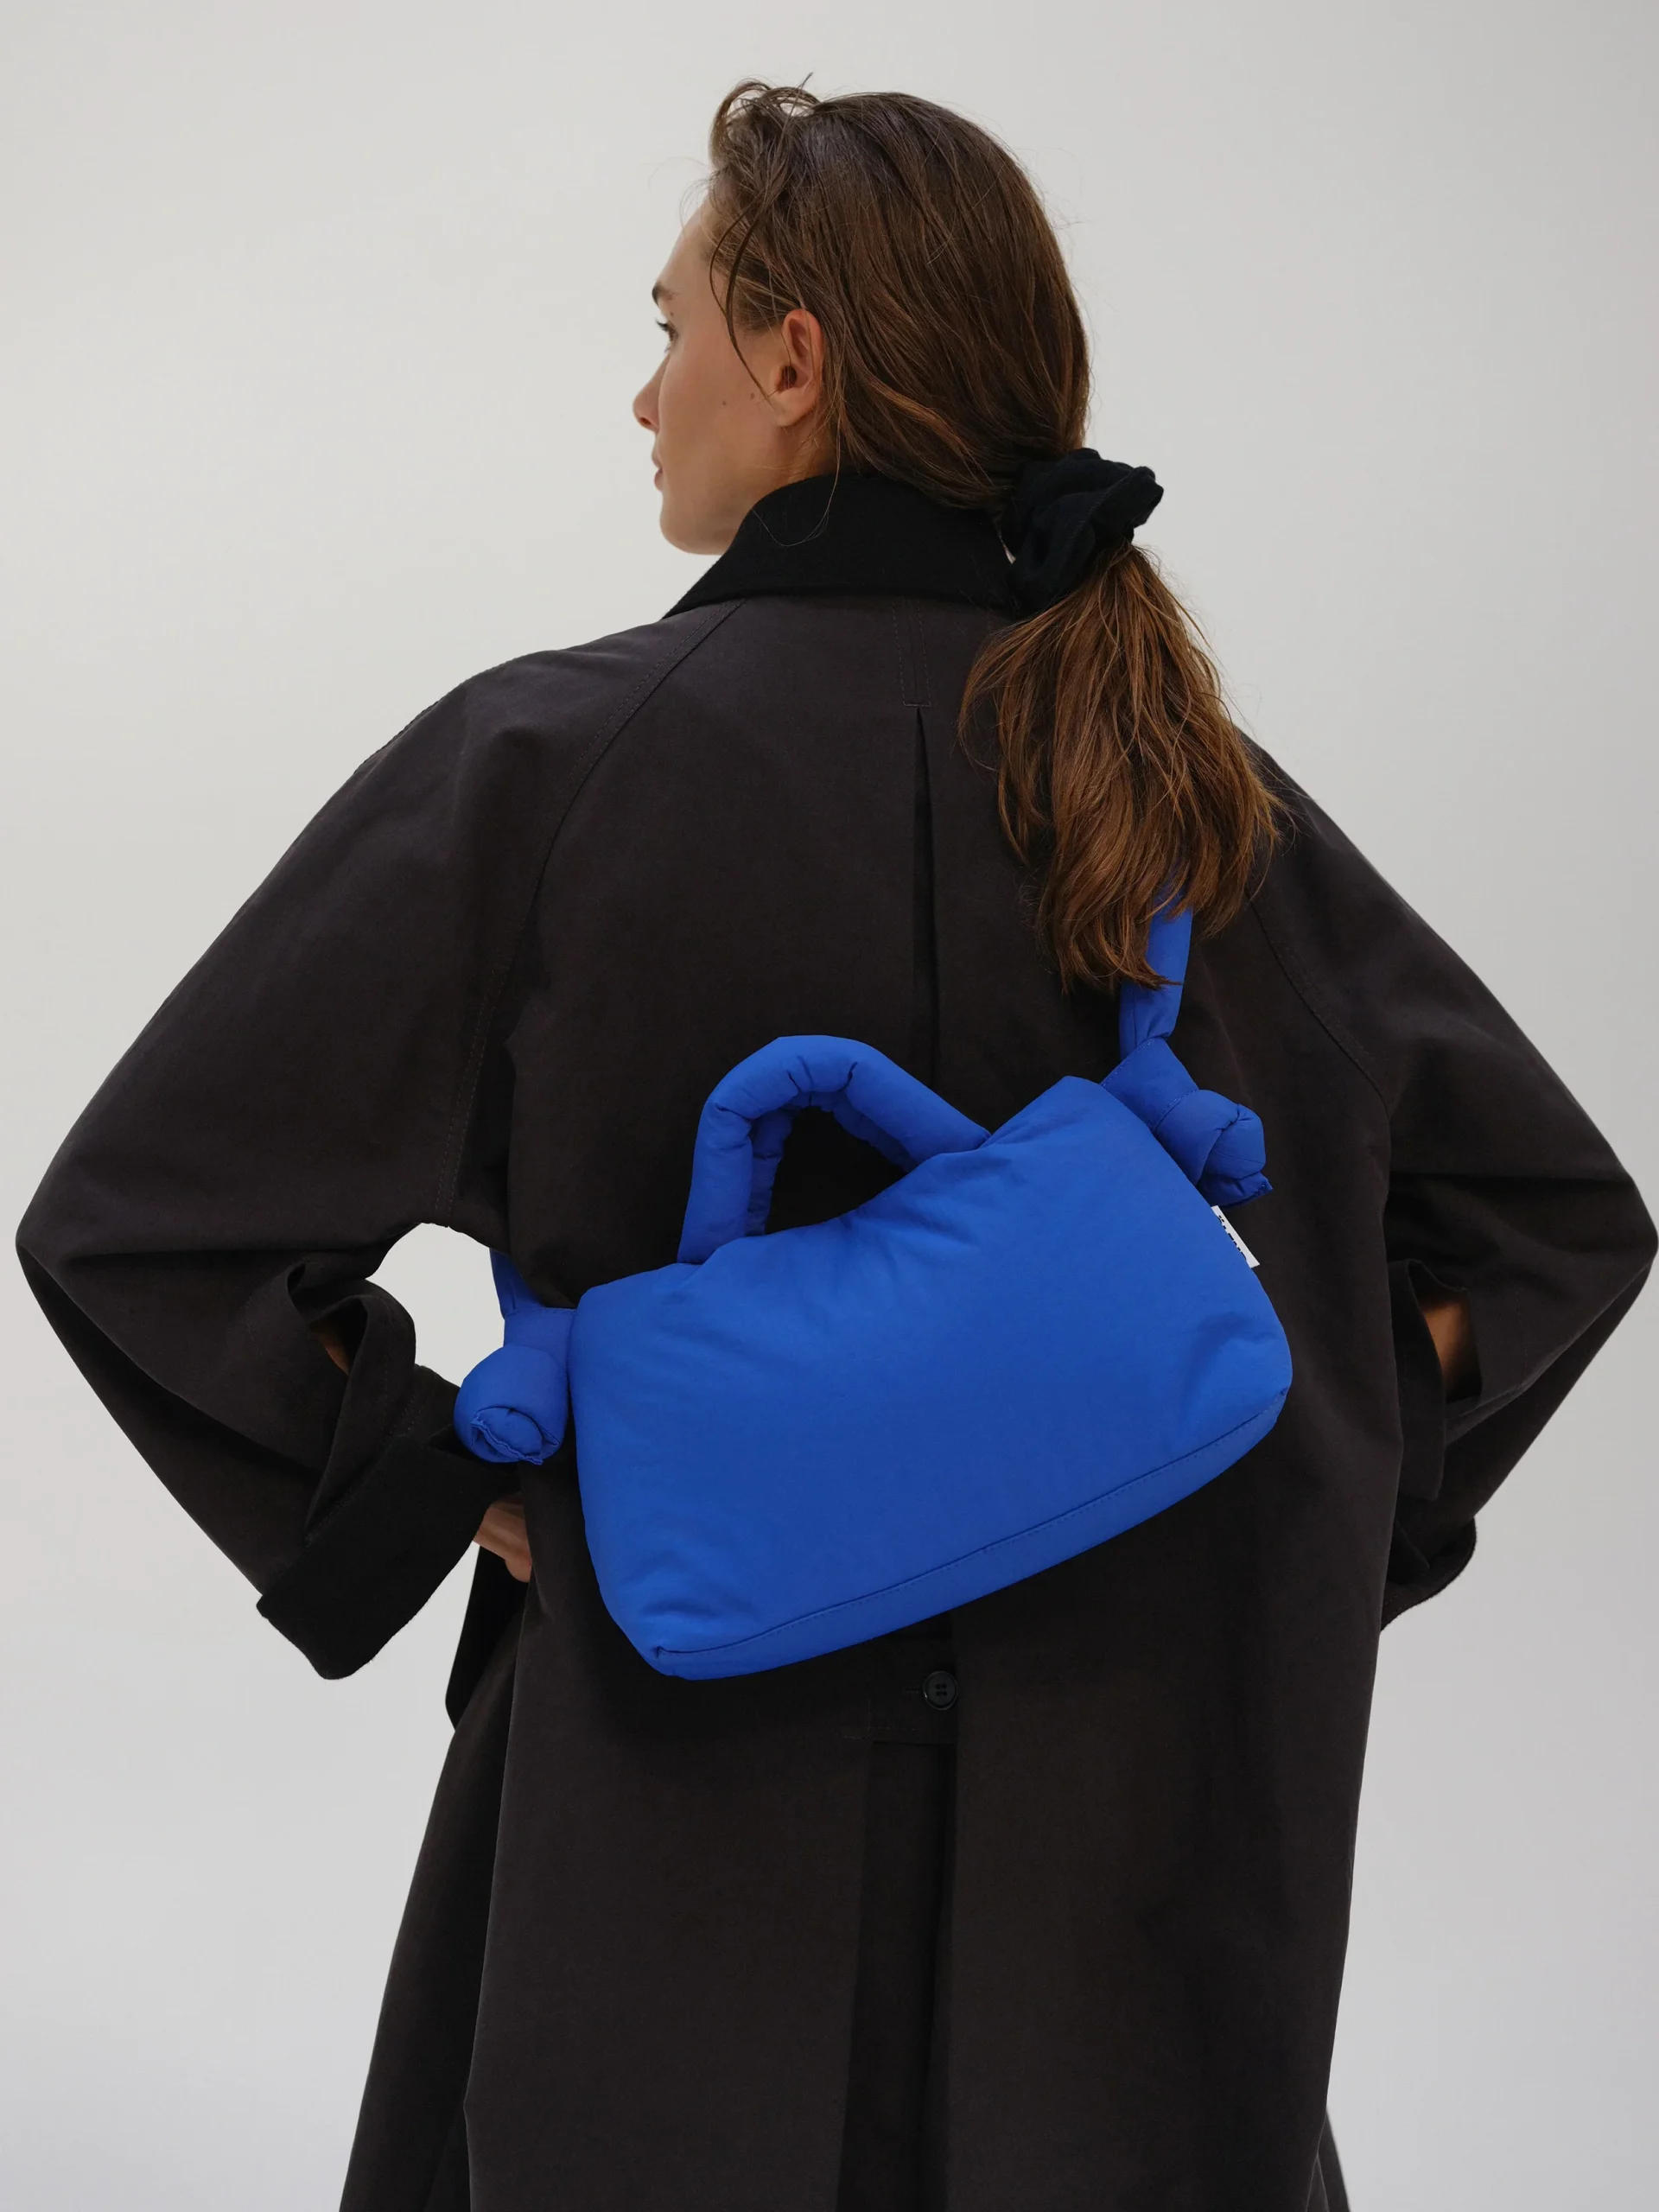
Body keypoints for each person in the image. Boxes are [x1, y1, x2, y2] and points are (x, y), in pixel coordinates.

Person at [16, 79, 1652, 2212]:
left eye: (673, 323)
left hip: (656, 1820)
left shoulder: (542, 767)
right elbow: (1547, 1229)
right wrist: (1282, 1478)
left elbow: (143, 1226)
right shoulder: (1175, 794)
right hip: (1124, 1894)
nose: (645, 393)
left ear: (795, 361)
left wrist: (459, 1482)